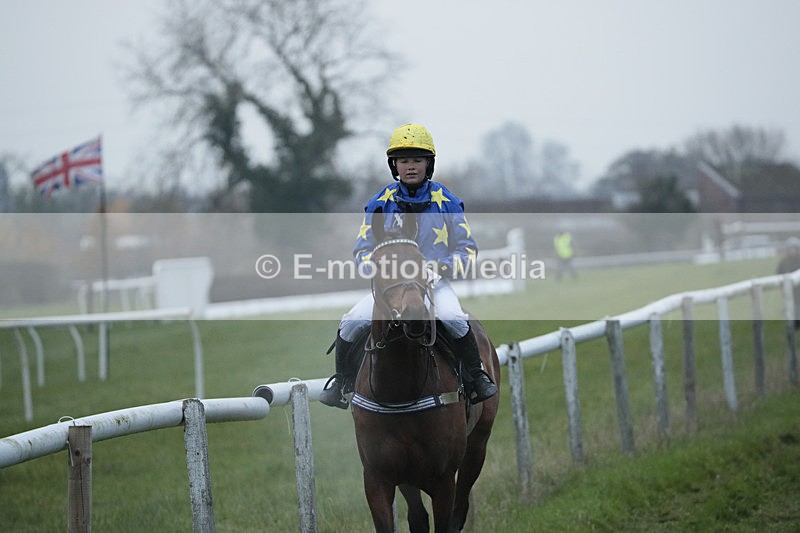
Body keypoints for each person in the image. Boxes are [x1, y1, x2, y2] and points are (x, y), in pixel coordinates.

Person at [318, 123, 498, 409]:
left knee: (453, 316)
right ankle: (342, 383)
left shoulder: (447, 201)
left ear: (429, 164)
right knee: (350, 322)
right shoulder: (379, 203)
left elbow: (468, 250)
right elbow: (361, 250)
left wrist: (441, 269)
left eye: (417, 160)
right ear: (394, 165)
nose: (410, 167)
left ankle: (476, 379)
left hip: (434, 286)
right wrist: (378, 271)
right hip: (390, 289)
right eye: (404, 161)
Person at [777, 237, 800, 329]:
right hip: (790, 290)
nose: (792, 251)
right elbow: (778, 275)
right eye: (790, 249)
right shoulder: (783, 263)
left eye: (794, 249)